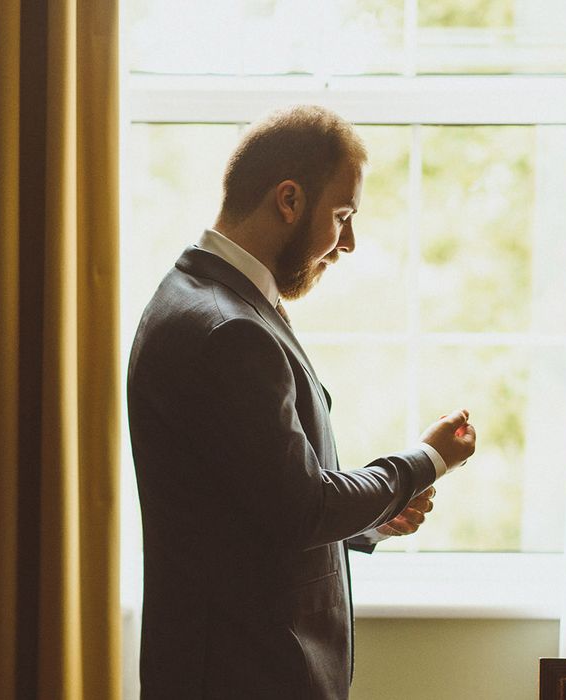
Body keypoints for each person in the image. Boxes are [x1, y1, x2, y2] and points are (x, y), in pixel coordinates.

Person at [127, 104, 476, 699]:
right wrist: (427, 460)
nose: (349, 243)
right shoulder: (227, 329)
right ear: (289, 200)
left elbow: (256, 503)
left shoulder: (202, 297)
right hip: (246, 677)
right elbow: (303, 506)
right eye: (342, 215)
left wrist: (367, 522)